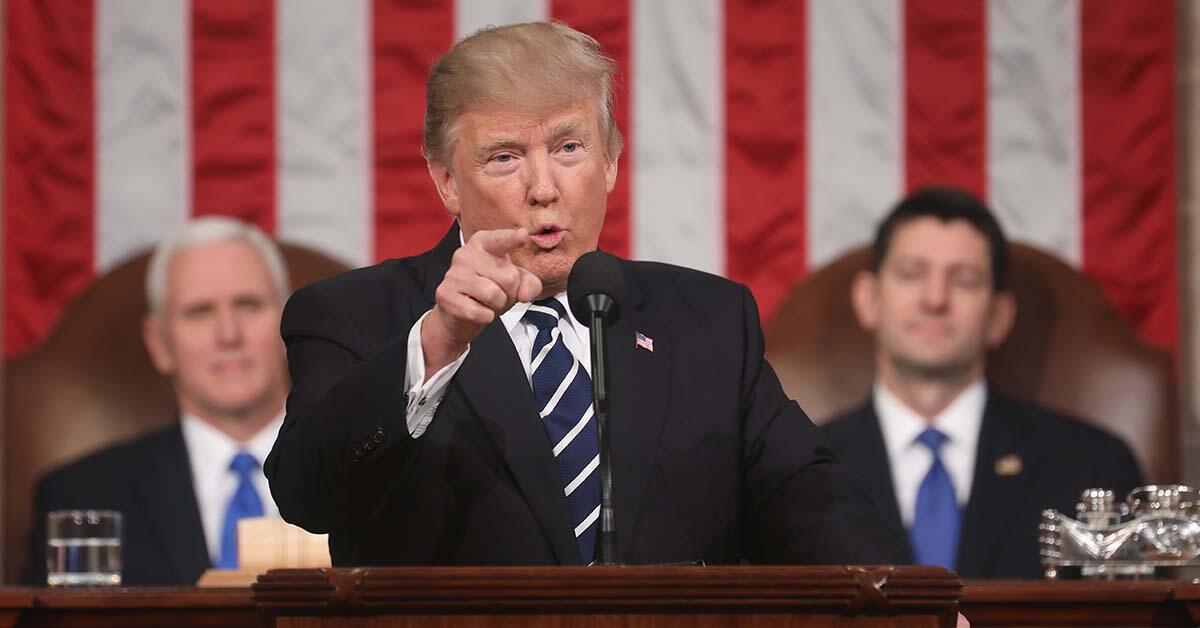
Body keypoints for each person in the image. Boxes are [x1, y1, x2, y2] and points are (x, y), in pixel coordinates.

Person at [265, 22, 904, 567]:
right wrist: (437, 343)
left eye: (569, 147)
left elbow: (809, 497)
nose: (544, 188)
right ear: (447, 181)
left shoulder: (707, 321)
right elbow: (306, 494)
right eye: (505, 158)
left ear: (611, 162)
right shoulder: (357, 316)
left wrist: (904, 601)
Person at [822, 186, 1144, 579]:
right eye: (911, 274)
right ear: (869, 299)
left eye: (964, 280)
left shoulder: (1092, 467)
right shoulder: (801, 473)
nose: (935, 299)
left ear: (999, 316)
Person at [27, 217, 292, 585]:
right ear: (159, 343)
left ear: (291, 324)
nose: (228, 334)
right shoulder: (80, 497)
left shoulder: (373, 482)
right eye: (199, 312)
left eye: (248, 305)